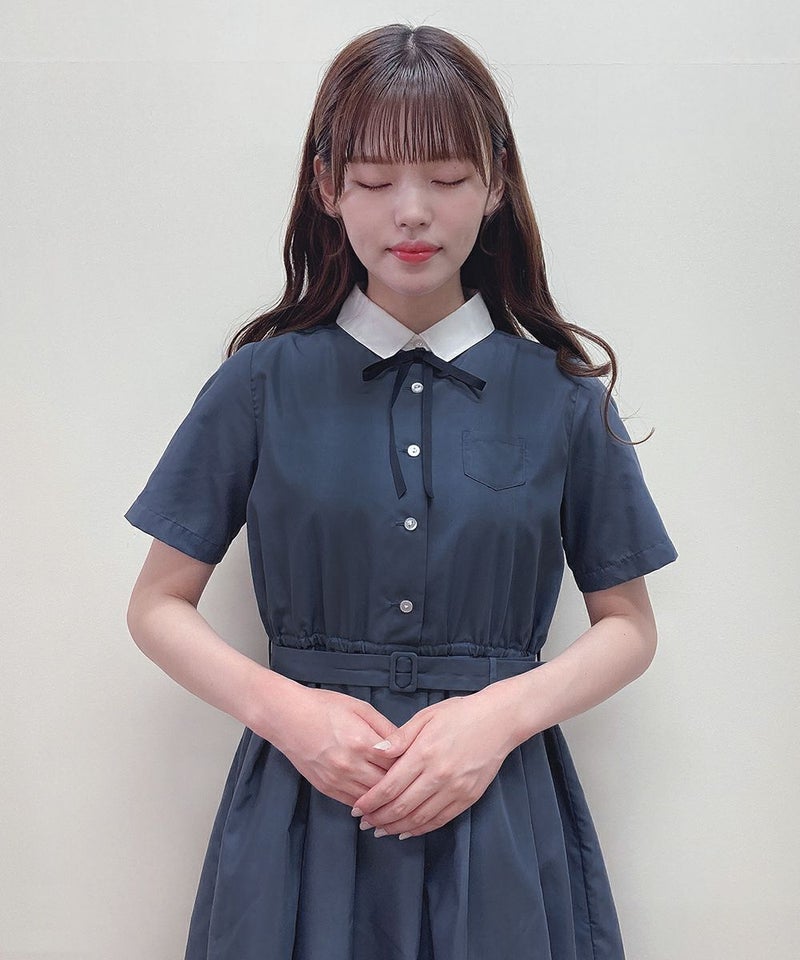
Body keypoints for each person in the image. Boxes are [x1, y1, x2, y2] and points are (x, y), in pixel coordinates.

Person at [124, 22, 678, 960]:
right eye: (376, 182)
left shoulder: (560, 397)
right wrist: (288, 712)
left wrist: (498, 717)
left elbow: (628, 625)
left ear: (495, 185)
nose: (411, 213)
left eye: (448, 177)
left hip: (496, 806)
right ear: (327, 187)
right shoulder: (259, 385)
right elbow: (155, 605)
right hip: (303, 805)